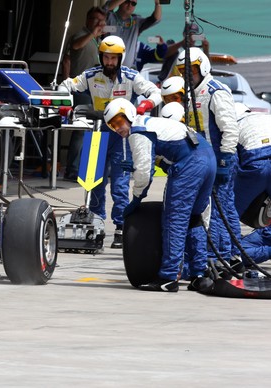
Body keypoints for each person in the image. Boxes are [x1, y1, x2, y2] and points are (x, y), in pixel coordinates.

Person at [59, 35, 161, 249]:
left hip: (122, 135)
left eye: (114, 58)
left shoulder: (132, 77)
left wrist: (145, 105)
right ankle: (95, 225)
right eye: (106, 57)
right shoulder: (90, 75)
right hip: (97, 131)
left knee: (120, 185)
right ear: (101, 57)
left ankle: (121, 227)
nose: (110, 62)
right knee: (92, 182)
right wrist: (64, 105)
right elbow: (66, 85)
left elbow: (155, 92)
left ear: (121, 58)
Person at [103, 98, 216, 292]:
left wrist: (137, 198)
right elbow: (168, 153)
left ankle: (168, 277)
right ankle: (199, 273)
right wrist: (145, 166)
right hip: (208, 157)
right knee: (195, 218)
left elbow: (144, 175)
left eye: (119, 121)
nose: (118, 128)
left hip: (190, 164)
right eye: (113, 125)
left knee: (174, 220)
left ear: (129, 114)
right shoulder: (150, 123)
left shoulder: (138, 132)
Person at [174, 47, 243, 271]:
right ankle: (232, 254)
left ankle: (222, 256)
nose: (187, 76)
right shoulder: (189, 94)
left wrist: (225, 160)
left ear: (202, 68)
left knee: (219, 210)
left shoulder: (215, 91)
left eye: (191, 71)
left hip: (220, 160)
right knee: (217, 208)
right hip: (202, 162)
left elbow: (230, 129)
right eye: (183, 71)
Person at [62, 6, 106, 181]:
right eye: (95, 20)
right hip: (80, 89)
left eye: (101, 21)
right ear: (88, 20)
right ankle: (72, 169)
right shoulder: (81, 35)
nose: (98, 24)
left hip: (95, 90)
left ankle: (88, 168)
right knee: (81, 129)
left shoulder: (97, 40)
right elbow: (75, 46)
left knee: (94, 128)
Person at [102, 0, 162, 68]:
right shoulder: (109, 17)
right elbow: (105, 9)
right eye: (127, 1)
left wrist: (157, 4)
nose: (130, 5)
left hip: (125, 71)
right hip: (107, 67)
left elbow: (156, 19)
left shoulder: (136, 21)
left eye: (133, 3)